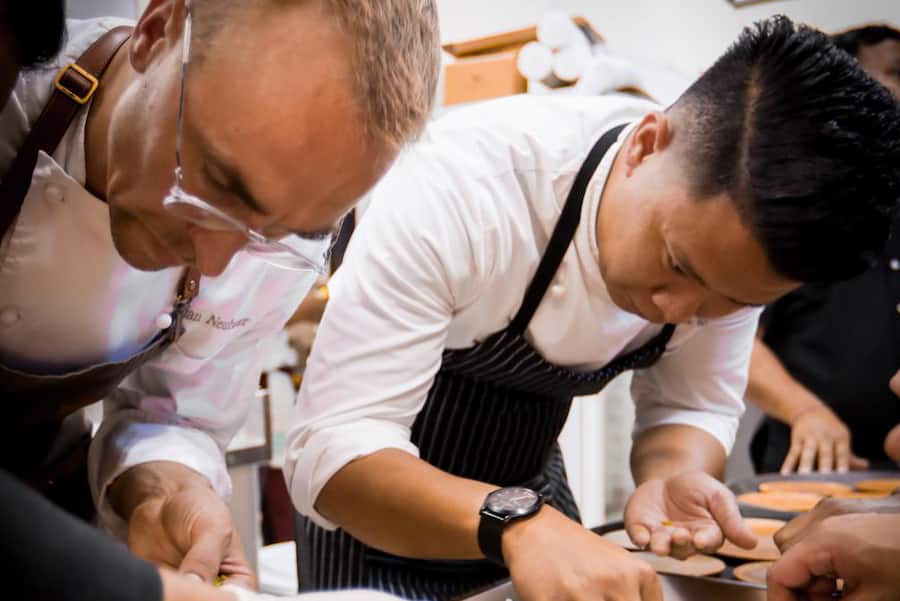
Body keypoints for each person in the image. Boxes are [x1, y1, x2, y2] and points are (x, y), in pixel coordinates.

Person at [284, 16, 900, 601]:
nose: (676, 308)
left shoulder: (740, 245)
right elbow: (335, 447)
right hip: (373, 519)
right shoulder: (464, 190)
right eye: (677, 264)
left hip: (532, 499)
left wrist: (670, 475)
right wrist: (516, 524)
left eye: (731, 303)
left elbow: (691, 402)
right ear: (645, 145)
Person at [0, 0, 439, 588]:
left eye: (274, 231)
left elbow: (173, 413)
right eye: (214, 183)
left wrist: (164, 489)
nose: (214, 262)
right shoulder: (10, 100)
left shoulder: (281, 239)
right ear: (156, 32)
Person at [746, 23, 900, 475]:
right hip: (807, 468)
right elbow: (732, 342)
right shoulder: (796, 207)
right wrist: (805, 411)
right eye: (892, 72)